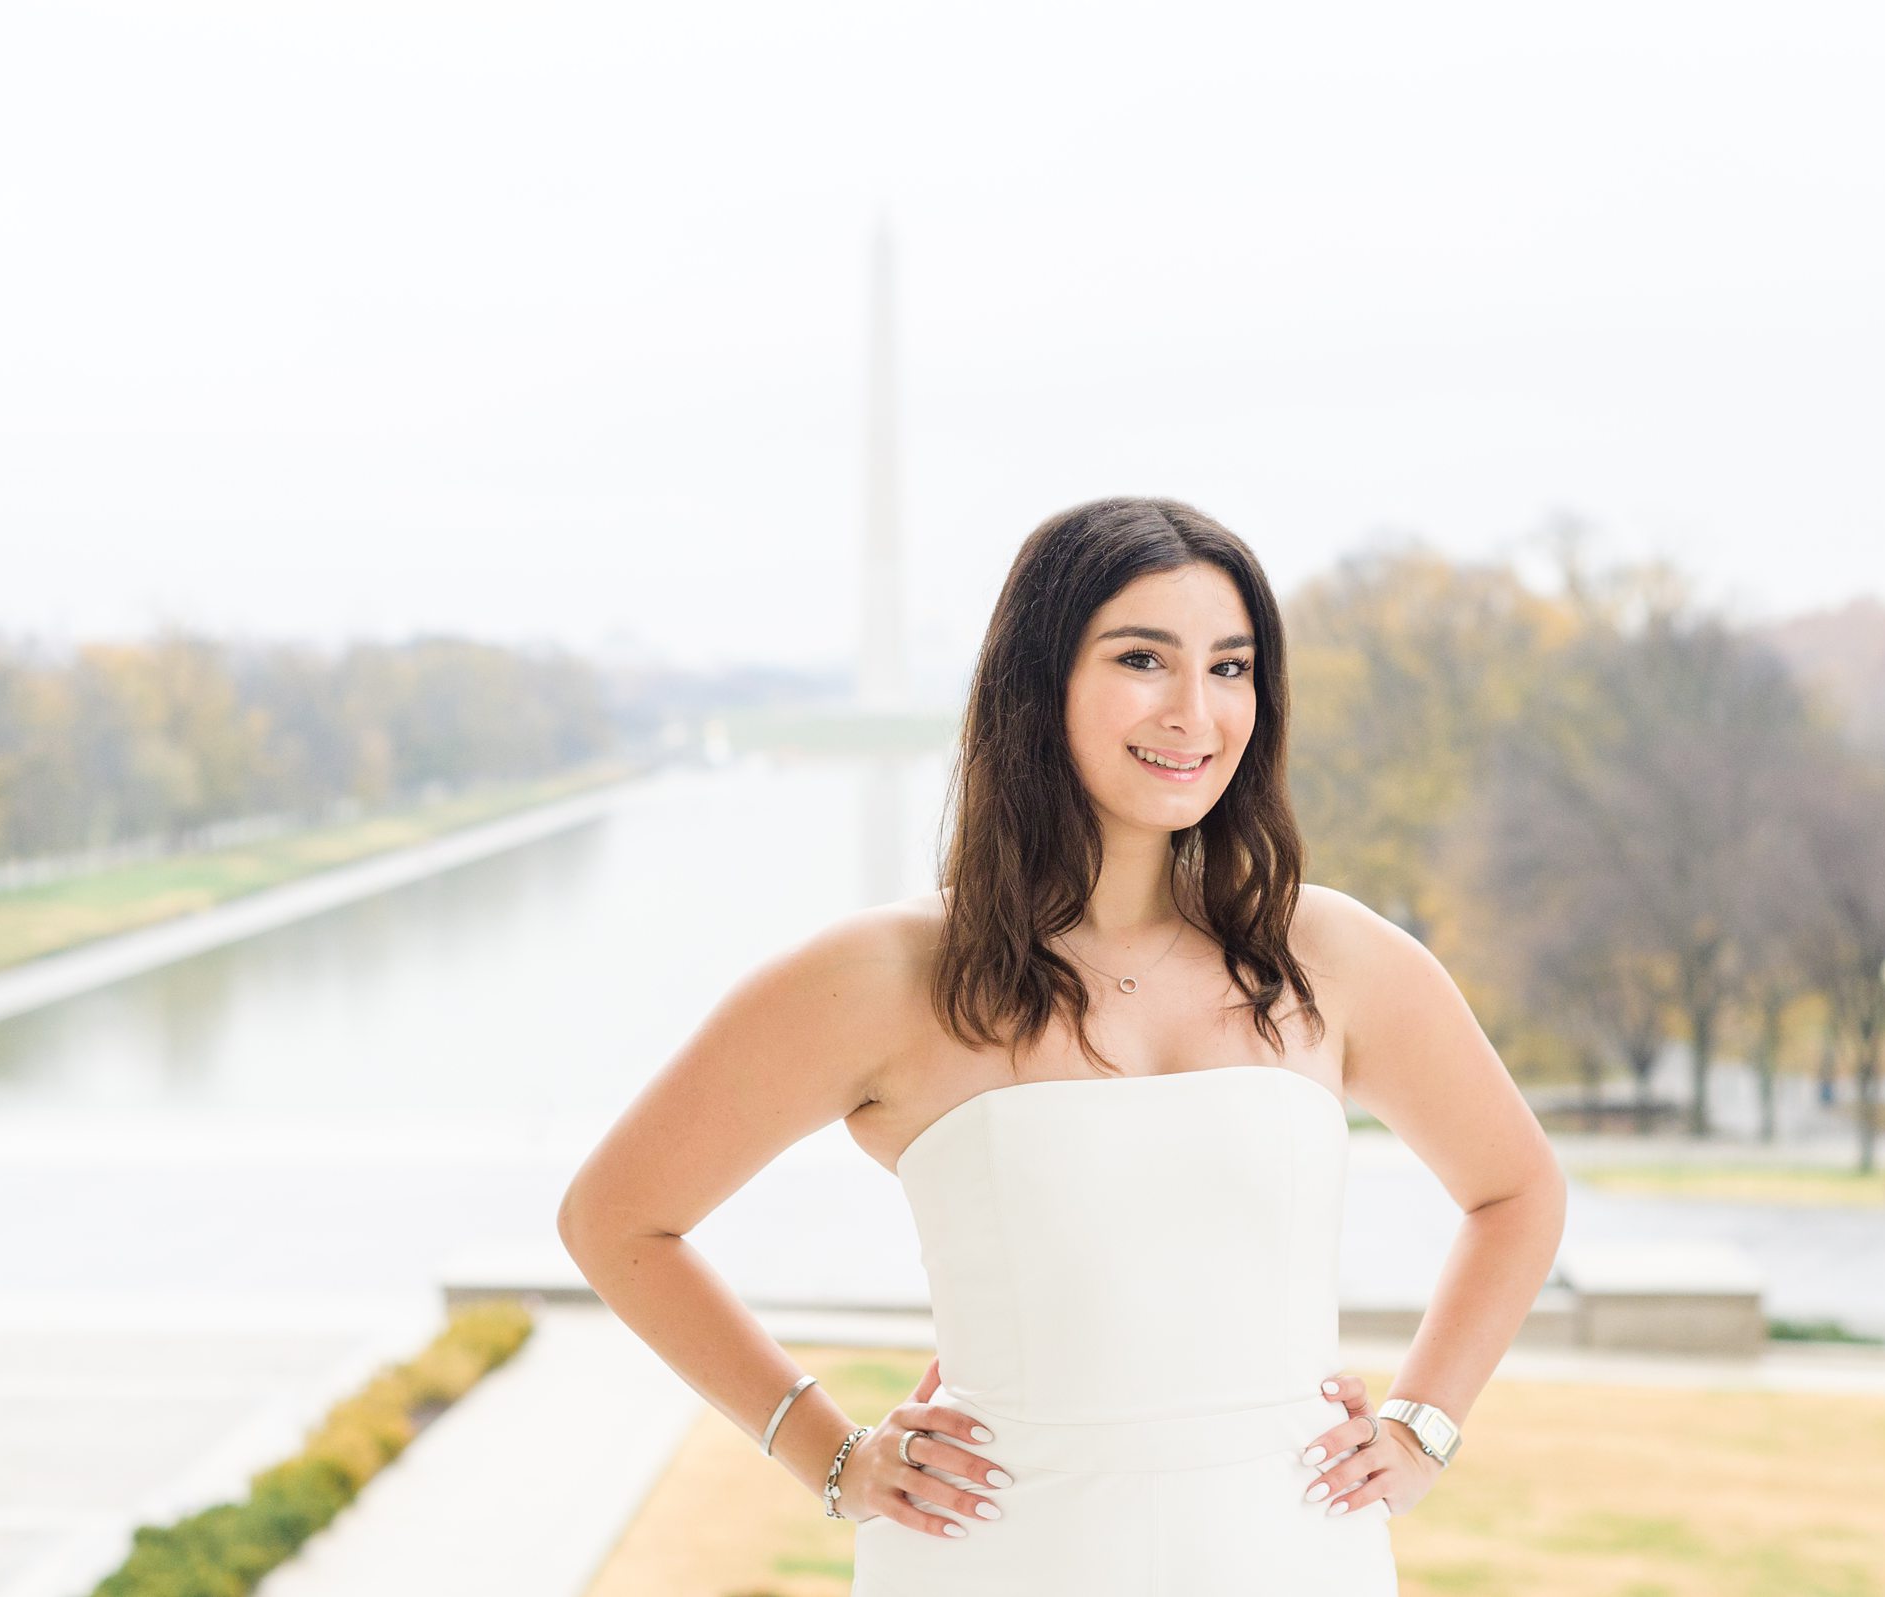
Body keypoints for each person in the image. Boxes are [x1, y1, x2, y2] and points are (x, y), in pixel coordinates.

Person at [557, 496, 1567, 1593]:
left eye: (1231, 668)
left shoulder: (1330, 951)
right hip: (1001, 1552)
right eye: (1145, 658)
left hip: (1289, 1548)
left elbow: (1517, 1190)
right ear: (1039, 685)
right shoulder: (883, 975)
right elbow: (617, 1219)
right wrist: (829, 1451)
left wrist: (1424, 1426)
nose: (1195, 710)